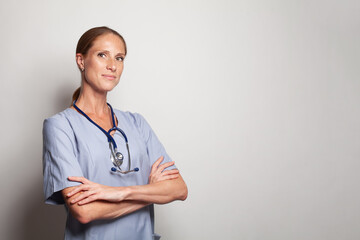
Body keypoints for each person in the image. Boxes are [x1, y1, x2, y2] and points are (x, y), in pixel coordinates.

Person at [42, 26, 188, 240]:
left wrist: (121, 192)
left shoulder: (136, 123)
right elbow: (84, 211)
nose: (112, 66)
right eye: (102, 55)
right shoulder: (60, 126)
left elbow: (179, 189)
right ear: (81, 61)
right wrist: (150, 190)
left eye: (119, 58)